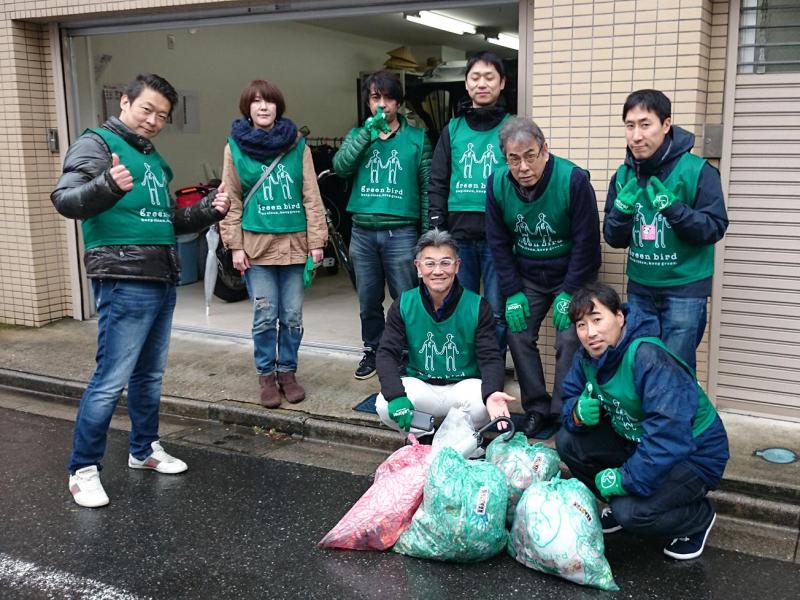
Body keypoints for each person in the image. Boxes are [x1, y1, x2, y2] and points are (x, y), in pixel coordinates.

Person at [51, 73, 231, 508]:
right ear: (125, 102)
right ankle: (83, 469)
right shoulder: (95, 144)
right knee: (111, 379)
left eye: (162, 116)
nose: (153, 121)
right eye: (147, 109)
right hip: (123, 275)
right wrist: (107, 185)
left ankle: (144, 449)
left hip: (160, 274)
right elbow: (65, 199)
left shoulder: (152, 159)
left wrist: (208, 209)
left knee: (149, 375)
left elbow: (167, 220)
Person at [556, 283, 729, 560]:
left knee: (631, 513)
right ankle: (626, 498)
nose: (590, 333)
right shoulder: (586, 358)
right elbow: (568, 399)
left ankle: (698, 518)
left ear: (619, 317)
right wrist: (577, 413)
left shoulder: (649, 357)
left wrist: (625, 479)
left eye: (597, 319)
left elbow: (667, 437)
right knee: (568, 441)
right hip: (636, 440)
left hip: (694, 454)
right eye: (581, 325)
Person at [485, 117, 600, 438]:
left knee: (569, 337)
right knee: (517, 332)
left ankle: (564, 410)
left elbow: (587, 242)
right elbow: (497, 242)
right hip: (529, 274)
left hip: (573, 272)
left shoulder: (573, 180)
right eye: (514, 159)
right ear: (505, 159)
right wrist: (512, 292)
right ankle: (536, 408)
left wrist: (570, 291)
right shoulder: (496, 184)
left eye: (530, 156)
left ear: (545, 151)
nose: (523, 167)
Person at [219, 79, 327, 408]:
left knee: (292, 316)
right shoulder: (234, 147)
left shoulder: (298, 146)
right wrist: (235, 245)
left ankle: (288, 373)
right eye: (256, 101)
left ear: (278, 106)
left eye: (269, 101)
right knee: (265, 316)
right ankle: (266, 376)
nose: (263, 106)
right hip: (256, 248)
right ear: (247, 108)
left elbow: (311, 196)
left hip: (295, 246)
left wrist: (317, 241)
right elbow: (231, 198)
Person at [603, 89, 728, 371]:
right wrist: (621, 214)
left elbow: (714, 227)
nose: (636, 136)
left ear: (666, 124)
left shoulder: (697, 170)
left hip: (685, 290)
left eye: (645, 125)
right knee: (642, 365)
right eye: (630, 126)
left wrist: (674, 210)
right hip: (640, 288)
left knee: (675, 369)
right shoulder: (623, 176)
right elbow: (613, 238)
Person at [333, 70, 431, 380]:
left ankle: (408, 353)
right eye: (376, 98)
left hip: (402, 231)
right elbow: (340, 167)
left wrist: (427, 237)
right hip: (362, 231)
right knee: (368, 300)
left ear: (399, 103)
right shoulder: (357, 135)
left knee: (406, 298)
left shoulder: (417, 139)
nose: (382, 105)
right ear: (368, 102)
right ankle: (373, 349)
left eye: (388, 98)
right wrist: (366, 134)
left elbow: (427, 189)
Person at [375, 229, 513, 435]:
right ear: (418, 267)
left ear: (457, 266)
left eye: (446, 262)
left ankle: (455, 440)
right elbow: (386, 353)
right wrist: (395, 395)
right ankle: (423, 438)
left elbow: (490, 356)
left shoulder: (477, 305)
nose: (438, 271)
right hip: (421, 385)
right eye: (429, 263)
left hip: (463, 387)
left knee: (484, 405)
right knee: (385, 405)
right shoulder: (403, 303)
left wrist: (492, 392)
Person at [428, 51, 511, 350]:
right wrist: (437, 231)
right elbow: (438, 181)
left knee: (497, 310)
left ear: (502, 83)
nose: (482, 84)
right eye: (475, 77)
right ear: (466, 83)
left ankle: (491, 367)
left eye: (489, 77)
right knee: (459, 306)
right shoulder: (452, 129)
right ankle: (464, 366)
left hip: (498, 237)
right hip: (458, 235)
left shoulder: (512, 128)